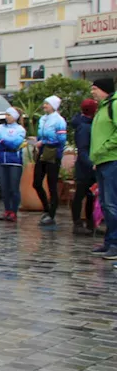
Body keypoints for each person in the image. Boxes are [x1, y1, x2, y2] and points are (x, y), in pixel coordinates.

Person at [89, 80, 117, 259]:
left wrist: (103, 149)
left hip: (112, 160)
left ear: (104, 90)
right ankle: (109, 241)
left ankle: (115, 244)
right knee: (106, 205)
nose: (92, 92)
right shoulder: (102, 107)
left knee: (112, 204)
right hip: (101, 161)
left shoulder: (113, 105)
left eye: (94, 89)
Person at [33, 95, 67, 226]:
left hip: (53, 154)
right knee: (36, 183)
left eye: (47, 104)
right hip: (41, 153)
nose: (44, 106)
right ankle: (46, 208)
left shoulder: (59, 120)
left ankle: (51, 214)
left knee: (52, 185)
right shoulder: (42, 119)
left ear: (53, 106)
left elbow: (62, 139)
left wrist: (45, 142)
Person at [0, 108, 27, 223]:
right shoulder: (0, 128)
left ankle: (14, 211)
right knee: (4, 188)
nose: (7, 117)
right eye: (6, 114)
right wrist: (5, 142)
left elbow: (15, 144)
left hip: (14, 162)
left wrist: (3, 141)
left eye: (9, 115)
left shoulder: (20, 129)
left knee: (13, 188)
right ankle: (7, 209)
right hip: (1, 161)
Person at [71, 99, 98, 235]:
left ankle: (90, 223)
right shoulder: (85, 127)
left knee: (90, 196)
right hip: (85, 168)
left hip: (89, 166)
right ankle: (78, 223)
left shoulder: (86, 124)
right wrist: (91, 164)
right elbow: (83, 150)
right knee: (81, 195)